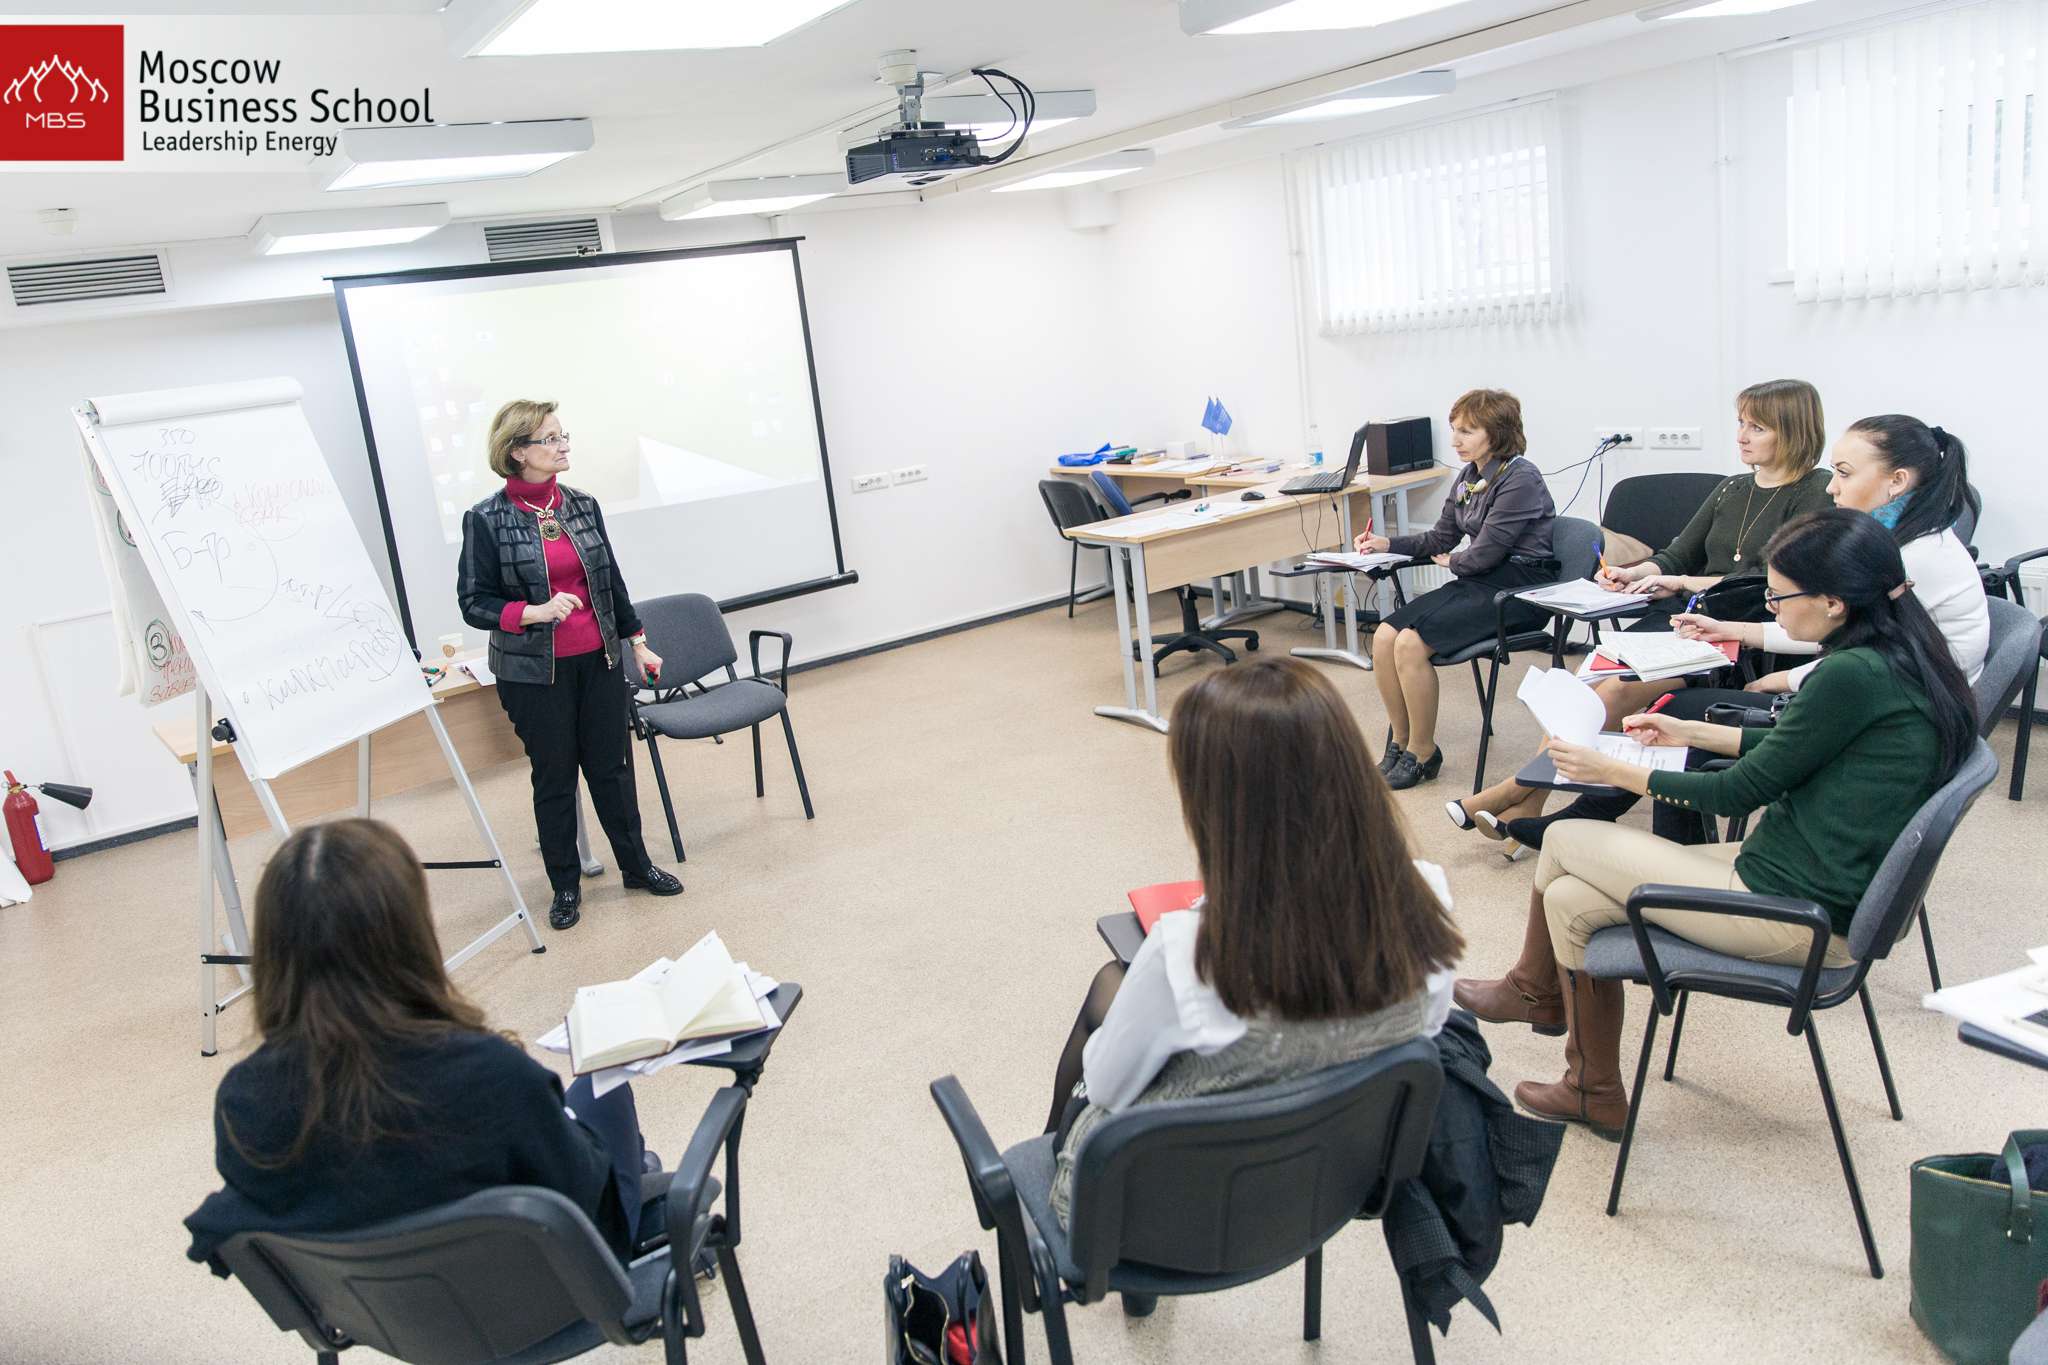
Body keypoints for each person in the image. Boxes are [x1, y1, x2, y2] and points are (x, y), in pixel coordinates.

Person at [1452, 509, 1976, 1136]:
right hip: (1811, 877)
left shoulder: (1849, 675)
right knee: (1568, 899)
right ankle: (1591, 1086)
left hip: (1796, 909)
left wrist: (1615, 769)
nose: (1773, 611)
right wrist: (1688, 731)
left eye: (1779, 597)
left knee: (1564, 837)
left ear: (1834, 603)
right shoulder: (1898, 655)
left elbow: (1735, 794)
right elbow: (1793, 745)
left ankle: (1534, 992)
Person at [1042, 657, 1465, 1226]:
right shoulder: (1425, 896)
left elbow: (1109, 1089)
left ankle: (1042, 1161)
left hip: (1166, 1216)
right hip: (1328, 1186)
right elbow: (1426, 1030)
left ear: (1219, 807)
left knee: (1111, 993)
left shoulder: (1187, 952)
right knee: (1112, 984)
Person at [186, 821, 665, 1273]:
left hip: (378, 1314)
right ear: (409, 934)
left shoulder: (242, 1100)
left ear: (274, 952)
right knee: (605, 1084)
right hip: (553, 1291)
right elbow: (585, 1202)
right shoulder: (490, 1074)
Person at [1497, 414, 1989, 852]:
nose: (1833, 489)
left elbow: (1859, 655)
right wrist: (1731, 630)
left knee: (1682, 710)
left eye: (1844, 473)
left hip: (1896, 718)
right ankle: (1608, 824)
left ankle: (1654, 846)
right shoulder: (1901, 541)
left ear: (1897, 481)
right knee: (1675, 705)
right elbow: (1844, 630)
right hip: (1887, 697)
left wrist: (1786, 678)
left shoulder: (1912, 558)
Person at [1446, 379, 1832, 840]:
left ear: (1793, 431)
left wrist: (1680, 581)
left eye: (1757, 427)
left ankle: (1514, 790)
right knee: (1589, 683)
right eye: (1741, 424)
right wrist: (1636, 573)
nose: (1741, 436)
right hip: (1688, 616)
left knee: (1612, 693)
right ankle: (1528, 802)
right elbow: (1677, 554)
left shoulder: (1816, 491)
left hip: (1743, 631)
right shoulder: (1732, 488)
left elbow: (1766, 582)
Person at [457, 400, 681, 930]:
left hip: (599, 662)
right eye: (550, 439)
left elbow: (609, 580)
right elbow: (473, 602)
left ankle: (636, 866)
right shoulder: (486, 519)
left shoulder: (581, 504)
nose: (563, 446)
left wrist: (638, 642)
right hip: (534, 676)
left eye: (563, 436)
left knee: (612, 770)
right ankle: (564, 886)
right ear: (518, 451)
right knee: (556, 778)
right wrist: (531, 612)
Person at [1353, 389, 1557, 789]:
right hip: (1480, 582)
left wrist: (1455, 562)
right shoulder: (1469, 477)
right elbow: (1440, 539)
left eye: (1467, 431)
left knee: (1410, 644)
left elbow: (1484, 553)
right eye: (1455, 429)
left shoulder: (1521, 478)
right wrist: (1387, 544)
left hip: (1520, 590)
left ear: (1497, 433)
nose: (1455, 441)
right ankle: (1400, 741)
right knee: (1384, 636)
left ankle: (1423, 751)